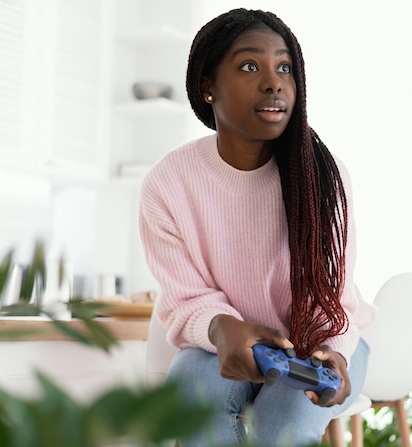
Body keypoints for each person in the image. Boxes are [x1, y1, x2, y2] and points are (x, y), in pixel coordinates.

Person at [139, 8, 376, 447]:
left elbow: (334, 301)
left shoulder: (322, 178)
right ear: (208, 86)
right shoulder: (169, 182)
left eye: (284, 67)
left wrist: (336, 358)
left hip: (321, 339)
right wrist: (220, 327)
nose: (274, 82)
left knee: (281, 422)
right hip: (222, 347)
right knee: (192, 400)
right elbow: (187, 296)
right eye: (251, 66)